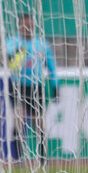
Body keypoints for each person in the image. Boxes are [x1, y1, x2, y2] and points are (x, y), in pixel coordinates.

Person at [6, 13, 58, 163]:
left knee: (39, 122)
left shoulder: (41, 44)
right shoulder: (12, 43)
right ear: (19, 27)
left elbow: (52, 66)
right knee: (19, 120)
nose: (27, 28)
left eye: (29, 26)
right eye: (24, 25)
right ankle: (20, 158)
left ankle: (42, 158)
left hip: (36, 87)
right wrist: (19, 53)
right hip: (17, 86)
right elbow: (12, 64)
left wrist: (55, 85)